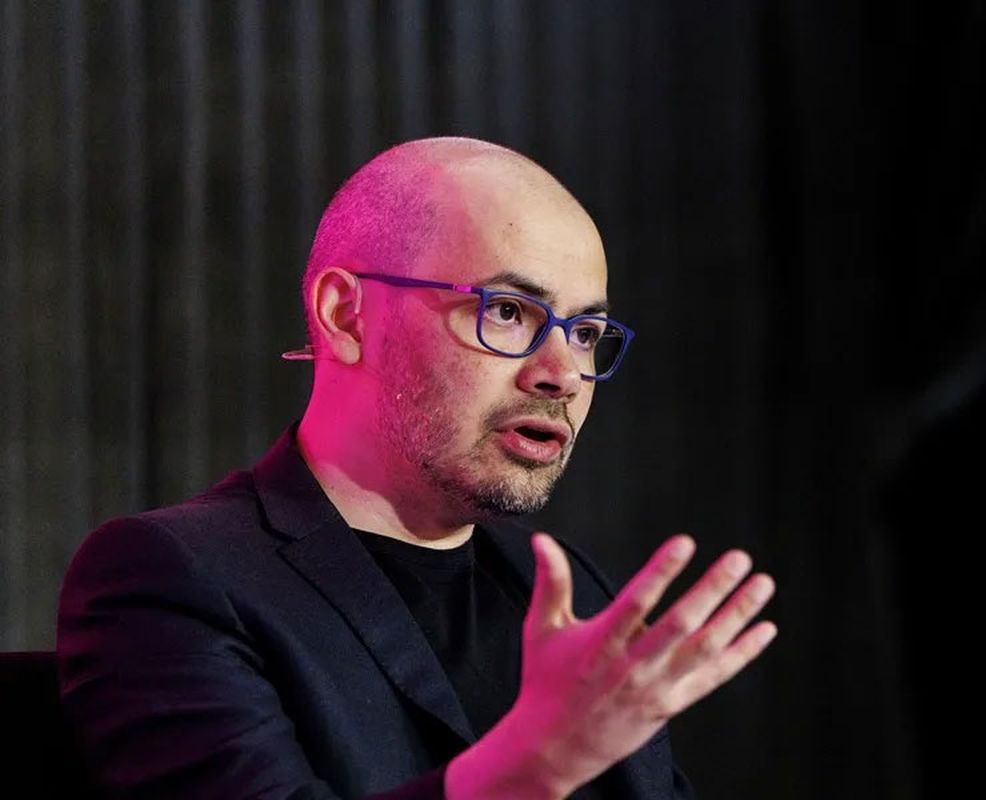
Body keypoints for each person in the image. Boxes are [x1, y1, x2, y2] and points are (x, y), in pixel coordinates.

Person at [57, 137, 777, 799]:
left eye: (585, 331)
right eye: (508, 312)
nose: (562, 374)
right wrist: (541, 764)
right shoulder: (173, 578)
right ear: (346, 316)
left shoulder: (573, 593)